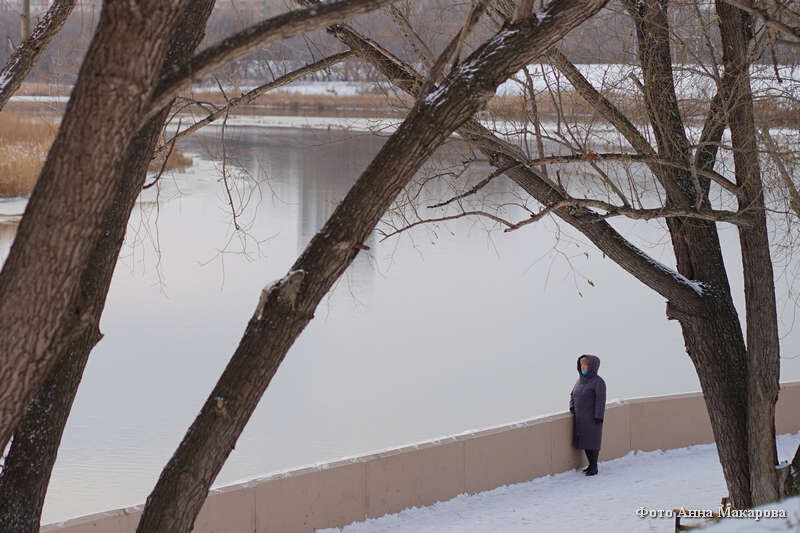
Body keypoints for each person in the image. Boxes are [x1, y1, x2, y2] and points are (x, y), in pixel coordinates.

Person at [569, 354, 606, 476]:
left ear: (592, 367)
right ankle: (590, 465)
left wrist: (598, 416)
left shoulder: (598, 382)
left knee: (593, 442)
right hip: (581, 418)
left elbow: (601, 400)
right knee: (585, 442)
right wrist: (572, 407)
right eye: (582, 365)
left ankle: (594, 466)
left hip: (592, 418)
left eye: (586, 365)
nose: (583, 367)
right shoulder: (579, 381)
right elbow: (572, 395)